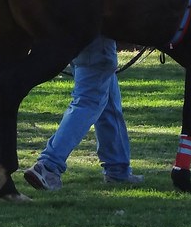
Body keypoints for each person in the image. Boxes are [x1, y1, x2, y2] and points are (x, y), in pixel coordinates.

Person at [23, 35, 144, 191]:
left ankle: (118, 169)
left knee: (107, 102)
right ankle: (48, 166)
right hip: (98, 38)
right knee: (88, 101)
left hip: (77, 38)